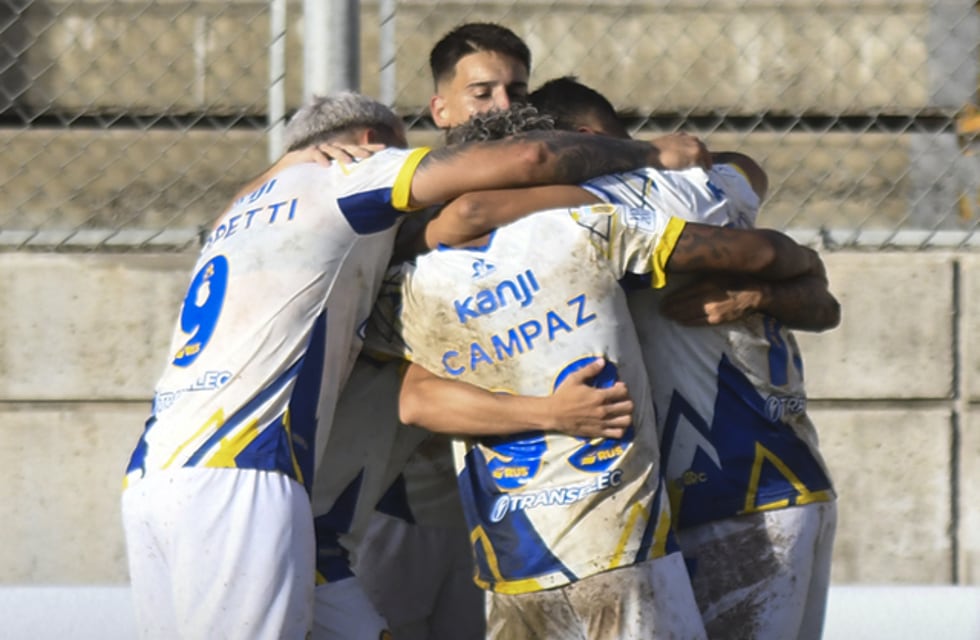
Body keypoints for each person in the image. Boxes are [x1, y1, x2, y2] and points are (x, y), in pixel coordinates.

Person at [120, 90, 712, 639]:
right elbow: (529, 157)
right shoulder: (349, 176)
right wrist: (648, 152)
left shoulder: (244, 206)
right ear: (371, 142)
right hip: (242, 470)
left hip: (156, 473)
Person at [390, 104, 831, 639]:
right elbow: (767, 248)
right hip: (627, 542)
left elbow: (415, 398)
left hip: (528, 558)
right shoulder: (594, 222)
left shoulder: (410, 279)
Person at [526, 76, 841, 639]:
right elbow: (753, 175)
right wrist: (760, 292)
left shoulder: (617, 202)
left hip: (734, 492)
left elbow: (499, 201)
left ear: (581, 139)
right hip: (788, 479)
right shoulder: (717, 181)